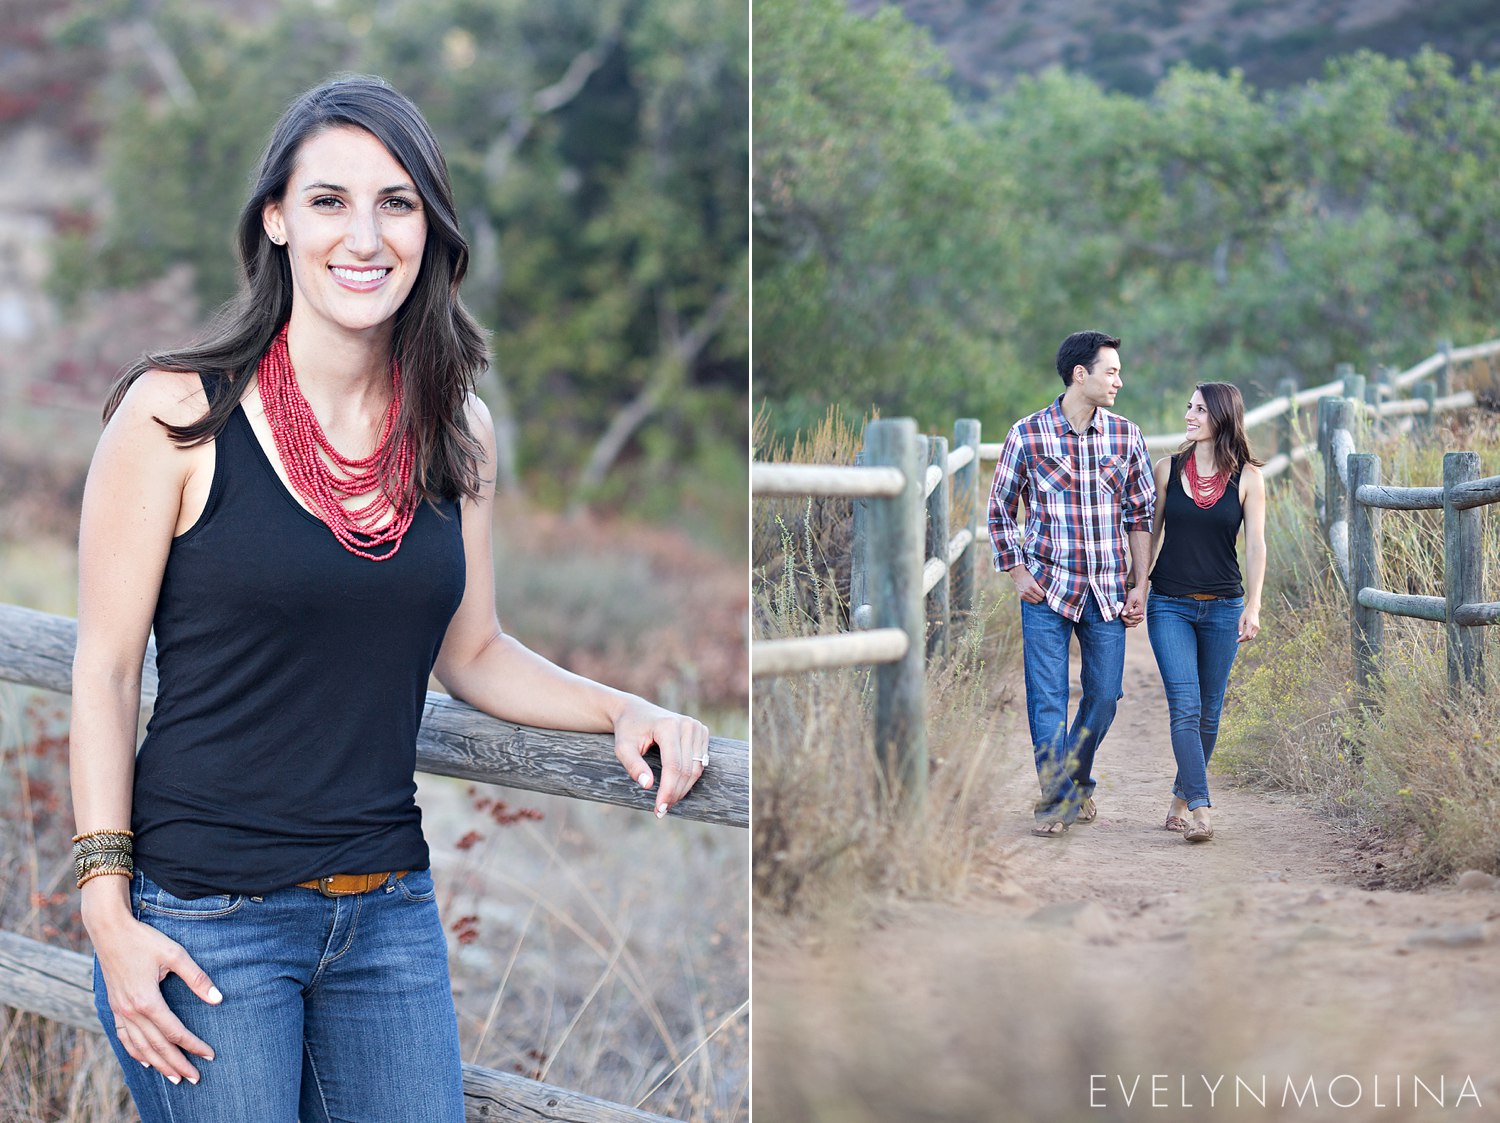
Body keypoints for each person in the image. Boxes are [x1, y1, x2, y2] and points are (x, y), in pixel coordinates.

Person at [68, 75, 710, 1122]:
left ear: (431, 229)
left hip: (387, 916)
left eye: (397, 202)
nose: (364, 235)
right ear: (276, 218)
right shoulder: (176, 413)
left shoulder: (460, 429)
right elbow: (100, 668)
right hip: (205, 918)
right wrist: (107, 914)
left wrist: (621, 706)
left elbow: (476, 649)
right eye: (328, 200)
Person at [989, 331, 1156, 837]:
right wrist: (1017, 572)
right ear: (1079, 374)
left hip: (1106, 588)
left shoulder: (1126, 436)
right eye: (1111, 371)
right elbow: (1000, 508)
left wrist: (1139, 584)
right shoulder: (1027, 434)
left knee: (1105, 694)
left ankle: (1074, 776)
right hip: (1046, 587)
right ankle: (1056, 799)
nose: (1119, 382)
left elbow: (1141, 514)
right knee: (1046, 698)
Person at [1147, 382, 1266, 843]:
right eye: (1188, 406)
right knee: (1185, 706)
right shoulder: (1166, 469)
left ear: (1221, 416)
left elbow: (1255, 546)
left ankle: (1179, 800)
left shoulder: (1250, 478)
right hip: (1169, 605)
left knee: (1210, 715)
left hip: (1223, 608)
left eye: (1199, 409)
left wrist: (1253, 605)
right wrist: (1139, 587)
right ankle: (1200, 808)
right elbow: (1150, 536)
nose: (1189, 415)